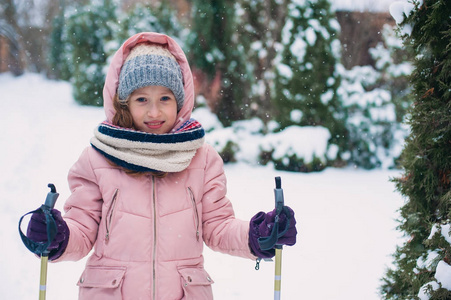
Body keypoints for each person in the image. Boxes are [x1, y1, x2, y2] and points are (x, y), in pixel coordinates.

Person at [26, 32, 297, 299]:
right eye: (142, 99)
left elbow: (218, 226)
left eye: (165, 99)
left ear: (180, 102)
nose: (154, 112)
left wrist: (258, 234)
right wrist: (58, 236)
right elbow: (82, 230)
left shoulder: (201, 159)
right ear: (124, 103)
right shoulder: (97, 159)